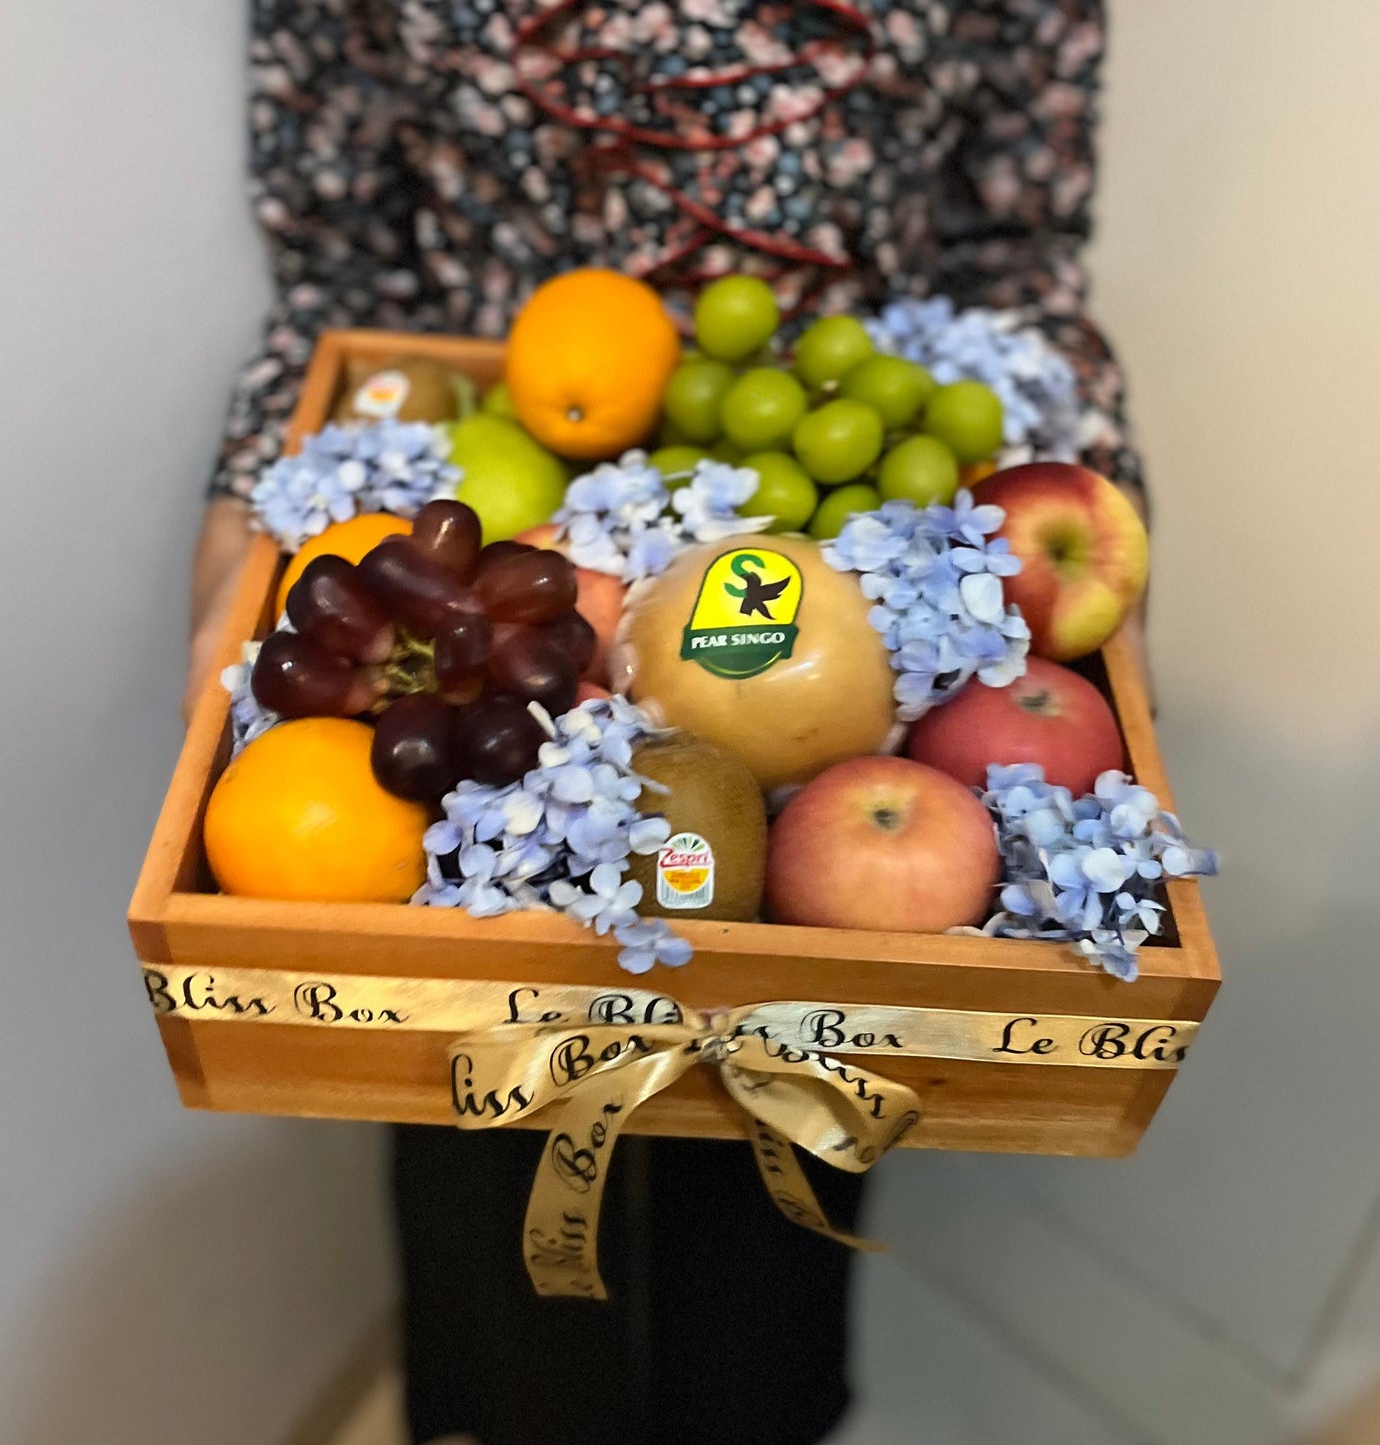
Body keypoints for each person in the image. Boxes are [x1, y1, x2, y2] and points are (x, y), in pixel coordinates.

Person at [188, 4, 1147, 1442]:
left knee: (767, 1231)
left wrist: (1106, 596)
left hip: (858, 555)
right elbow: (340, 263)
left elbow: (1015, 262)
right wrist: (234, 564)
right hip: (476, 546)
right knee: (491, 1225)